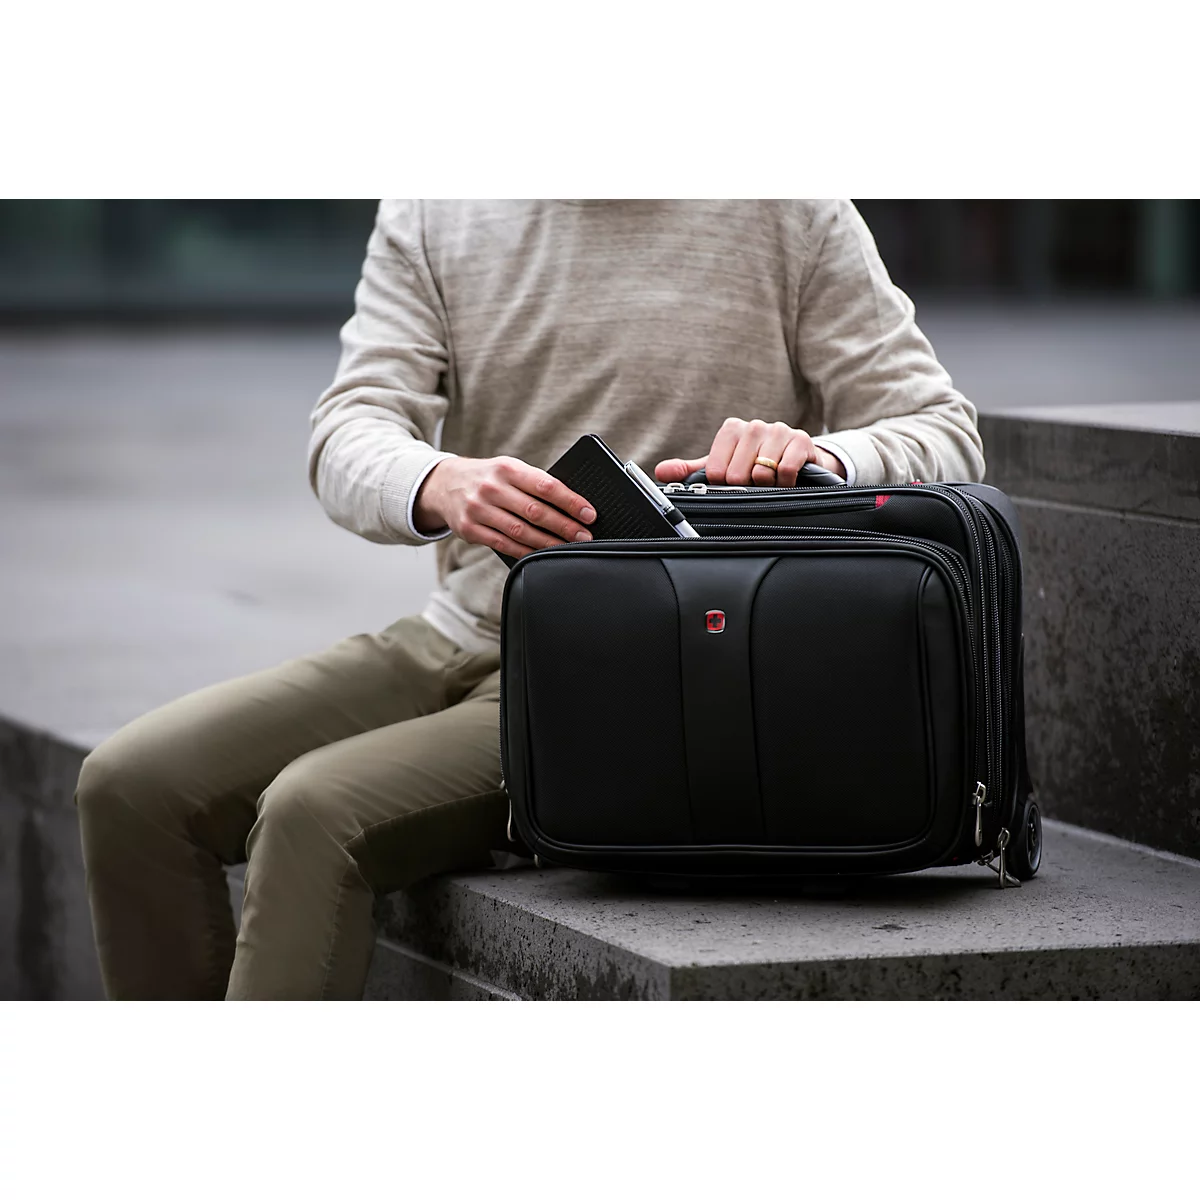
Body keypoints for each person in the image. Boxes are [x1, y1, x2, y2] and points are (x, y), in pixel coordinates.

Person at [75, 200, 985, 1000]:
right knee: (130, 787)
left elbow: (943, 429)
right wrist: (436, 480)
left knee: (316, 813)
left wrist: (821, 460)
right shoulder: (437, 210)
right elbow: (349, 425)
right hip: (457, 630)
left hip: (653, 665)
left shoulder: (787, 210)